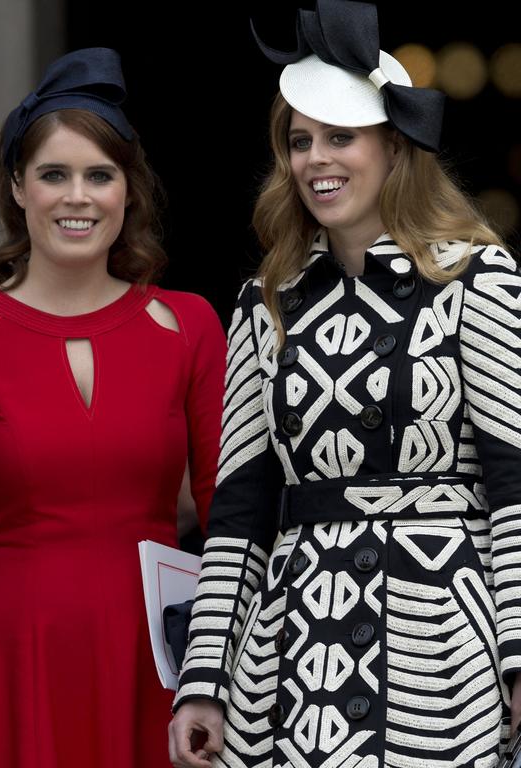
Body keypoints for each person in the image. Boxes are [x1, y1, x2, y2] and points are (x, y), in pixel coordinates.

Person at [169, 1, 518, 766]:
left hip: (438, 659)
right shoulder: (267, 301)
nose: (316, 159)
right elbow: (239, 512)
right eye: (300, 141)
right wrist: (203, 680)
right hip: (290, 662)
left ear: (395, 148)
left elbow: (514, 483)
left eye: (340, 137)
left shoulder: (476, 277)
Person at [0, 47, 226, 768]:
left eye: (100, 175)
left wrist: (228, 667)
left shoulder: (189, 326)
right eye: (54, 175)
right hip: (4, 660)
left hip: (153, 661)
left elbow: (228, 513)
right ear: (18, 186)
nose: (78, 196)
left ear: (128, 191)